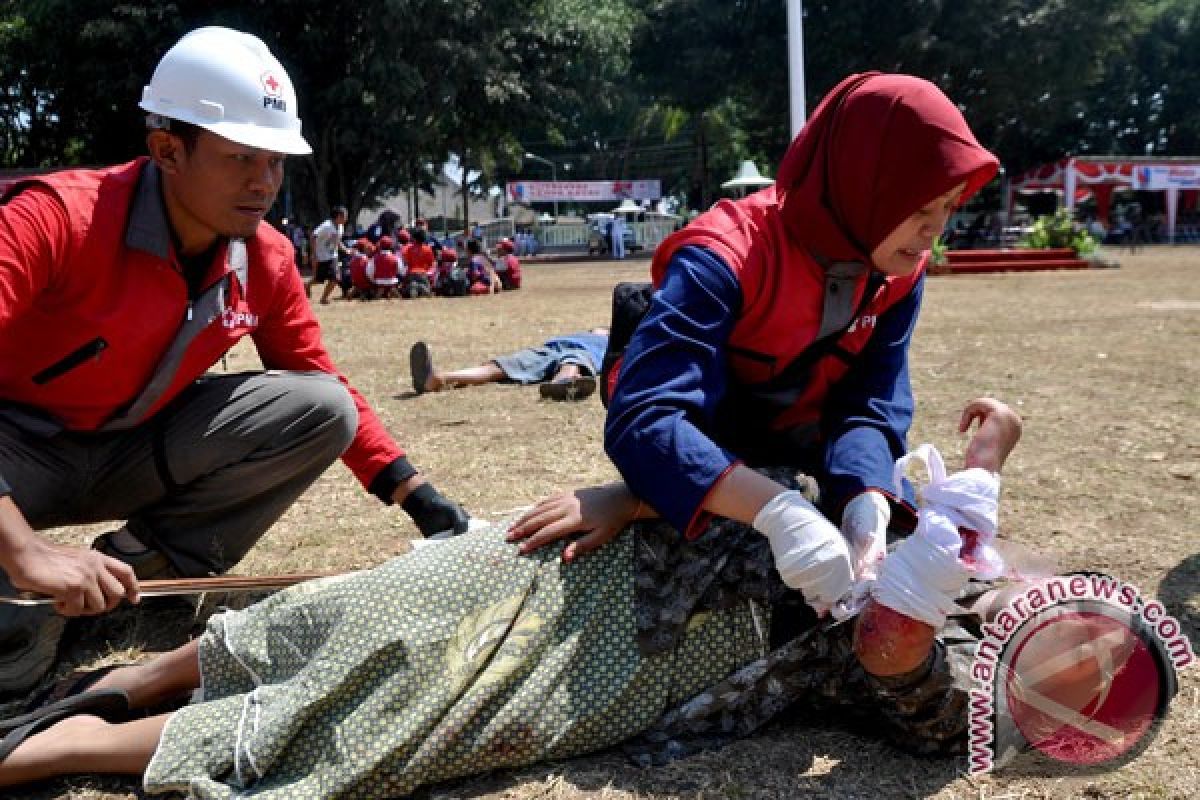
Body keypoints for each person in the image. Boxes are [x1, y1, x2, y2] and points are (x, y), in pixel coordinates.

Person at [0, 398, 1028, 795]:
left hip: (644, 665)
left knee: (382, 718)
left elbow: (918, 698)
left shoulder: (961, 666)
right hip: (611, 557)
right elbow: (744, 453)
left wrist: (913, 614)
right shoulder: (878, 492)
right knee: (371, 601)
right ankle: (130, 682)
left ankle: (51, 749)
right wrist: (629, 494)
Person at [0, 26, 469, 696]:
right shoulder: (57, 219)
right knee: (11, 654)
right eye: (241, 157)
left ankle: (144, 570)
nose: (265, 182)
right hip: (18, 457)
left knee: (319, 406)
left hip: (130, 450)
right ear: (167, 149)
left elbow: (322, 382)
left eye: (276, 161)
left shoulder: (266, 257)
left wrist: (419, 498)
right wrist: (24, 550)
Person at [603, 72, 999, 616]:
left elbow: (871, 400)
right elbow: (646, 419)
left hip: (808, 463)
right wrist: (776, 510)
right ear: (865, 182)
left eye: (950, 206)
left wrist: (866, 501)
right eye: (919, 208)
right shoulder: (725, 259)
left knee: (928, 586)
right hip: (722, 466)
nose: (936, 230)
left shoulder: (899, 269)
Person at [409, 328, 609, 401]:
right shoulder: (592, 333)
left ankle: (565, 381)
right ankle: (437, 379)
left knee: (574, 359)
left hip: (582, 353)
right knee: (503, 365)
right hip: (551, 348)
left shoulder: (619, 341)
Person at [306, 205, 349, 304]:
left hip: (333, 256)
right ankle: (307, 285)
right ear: (338, 216)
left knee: (335, 278)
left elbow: (337, 241)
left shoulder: (341, 227)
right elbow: (313, 236)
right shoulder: (326, 226)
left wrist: (346, 249)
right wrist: (314, 254)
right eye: (345, 216)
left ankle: (323, 298)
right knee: (319, 279)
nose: (346, 218)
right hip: (322, 257)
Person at [401, 228, 435, 298]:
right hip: (422, 273)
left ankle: (412, 286)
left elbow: (405, 262)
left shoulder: (409, 249)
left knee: (404, 291)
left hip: (411, 273)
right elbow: (431, 264)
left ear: (415, 238)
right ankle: (420, 286)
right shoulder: (428, 249)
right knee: (429, 292)